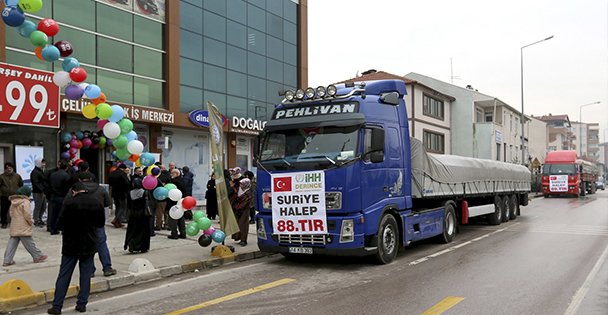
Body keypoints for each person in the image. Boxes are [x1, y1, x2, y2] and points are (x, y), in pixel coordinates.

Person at [47, 182, 105, 315]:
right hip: (89, 243)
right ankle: (81, 304)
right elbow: (100, 223)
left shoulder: (69, 203)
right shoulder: (96, 203)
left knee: (64, 275)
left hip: (70, 244)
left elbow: (59, 224)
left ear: (74, 192)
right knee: (85, 275)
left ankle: (57, 306)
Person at [64, 172, 117, 277]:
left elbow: (67, 203)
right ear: (91, 179)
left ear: (79, 180)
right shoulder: (100, 189)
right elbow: (108, 202)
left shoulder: (74, 190)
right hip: (97, 220)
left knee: (87, 245)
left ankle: (90, 270)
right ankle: (107, 267)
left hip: (81, 222)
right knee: (101, 244)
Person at [3, 186, 47, 267]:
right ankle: (38, 256)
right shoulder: (25, 201)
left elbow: (11, 213)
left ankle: (7, 260)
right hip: (23, 225)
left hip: (15, 224)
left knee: (12, 242)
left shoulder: (13, 201)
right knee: (29, 242)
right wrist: (31, 222)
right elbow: (27, 214)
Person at [124, 178, 151, 253]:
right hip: (143, 214)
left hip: (133, 214)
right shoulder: (145, 192)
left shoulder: (130, 193)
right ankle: (143, 247)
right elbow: (148, 203)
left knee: (132, 230)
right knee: (143, 231)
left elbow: (128, 205)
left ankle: (131, 243)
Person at [48, 160, 71, 235]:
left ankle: (53, 229)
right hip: (62, 196)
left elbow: (49, 185)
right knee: (63, 214)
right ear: (66, 168)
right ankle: (63, 229)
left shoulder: (52, 174)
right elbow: (67, 187)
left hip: (53, 196)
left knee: (53, 214)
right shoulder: (66, 176)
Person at [230, 178, 253, 246]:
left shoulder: (249, 192)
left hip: (244, 210)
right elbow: (234, 197)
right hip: (237, 210)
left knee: (243, 225)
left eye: (242, 184)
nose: (241, 185)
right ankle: (238, 237)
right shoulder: (238, 189)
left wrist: (239, 206)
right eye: (240, 183)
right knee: (237, 224)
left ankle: (243, 240)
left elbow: (247, 201)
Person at [0, 162, 24, 228]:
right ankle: (4, 223)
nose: (9, 169)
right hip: (5, 196)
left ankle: (16, 223)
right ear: (5, 169)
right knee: (4, 210)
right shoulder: (2, 176)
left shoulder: (17, 176)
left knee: (16, 211)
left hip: (15, 196)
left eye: (10, 168)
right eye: (7, 168)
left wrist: (19, 193)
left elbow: (21, 185)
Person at [166, 169, 186, 239]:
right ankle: (183, 233)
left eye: (172, 173)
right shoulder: (182, 180)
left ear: (177, 174)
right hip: (180, 203)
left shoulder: (174, 182)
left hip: (173, 203)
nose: (171, 175)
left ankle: (174, 234)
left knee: (173, 218)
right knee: (181, 218)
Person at [30, 159, 48, 227]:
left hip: (42, 192)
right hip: (37, 192)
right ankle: (36, 220)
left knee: (43, 206)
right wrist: (42, 189)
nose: (44, 164)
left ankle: (40, 219)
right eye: (42, 163)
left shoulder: (40, 171)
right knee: (38, 207)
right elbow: (36, 183)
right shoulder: (35, 172)